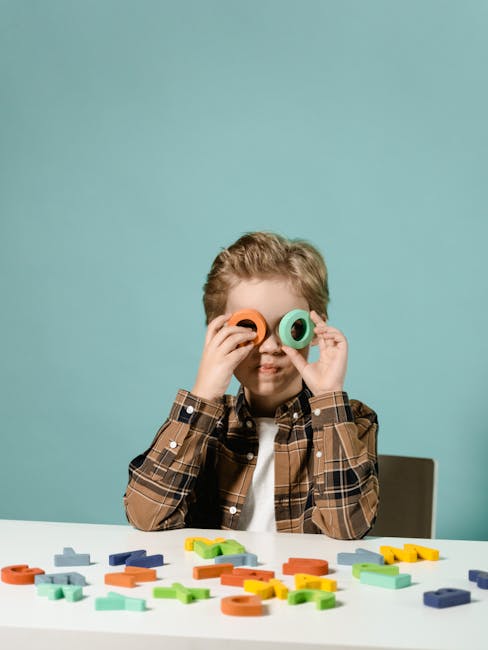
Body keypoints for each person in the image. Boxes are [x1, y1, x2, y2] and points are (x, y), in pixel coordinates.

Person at [123, 232, 378, 538]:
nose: (269, 346)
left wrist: (327, 397)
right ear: (218, 333)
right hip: (217, 583)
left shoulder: (350, 418)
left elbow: (347, 528)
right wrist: (203, 396)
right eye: (249, 327)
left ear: (314, 330)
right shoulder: (209, 426)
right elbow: (146, 516)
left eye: (290, 327)